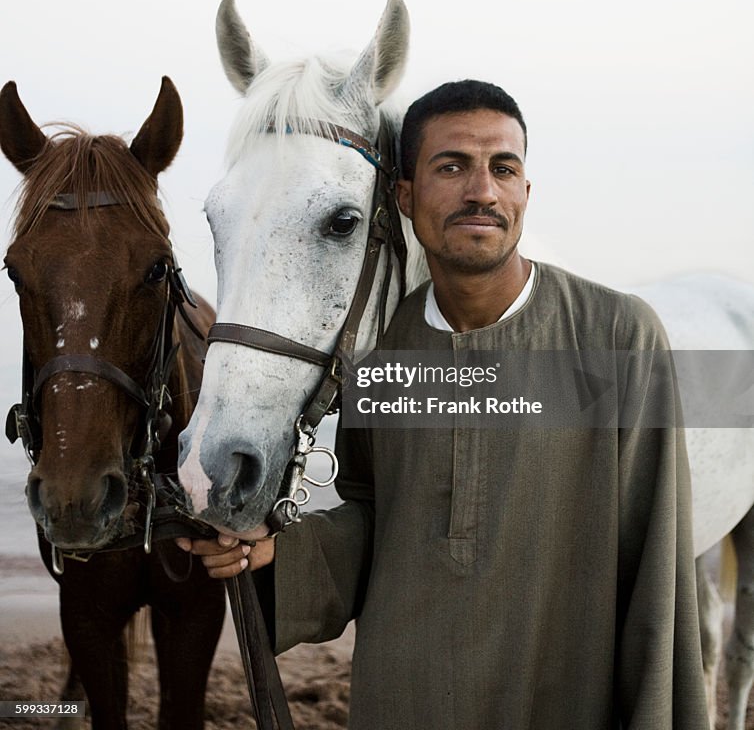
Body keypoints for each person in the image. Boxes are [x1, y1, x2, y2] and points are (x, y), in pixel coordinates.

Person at [179, 80, 708, 729]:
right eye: (452, 166)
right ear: (404, 195)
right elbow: (379, 517)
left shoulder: (617, 336)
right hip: (406, 698)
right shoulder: (379, 351)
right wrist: (278, 557)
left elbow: (657, 565)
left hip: (564, 696)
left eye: (503, 168)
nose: (482, 191)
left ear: (525, 193)